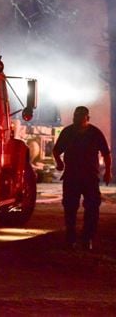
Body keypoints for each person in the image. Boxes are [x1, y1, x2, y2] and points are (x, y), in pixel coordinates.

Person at [53, 106, 112, 250]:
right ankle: (71, 238)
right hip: (72, 176)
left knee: (92, 208)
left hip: (90, 176)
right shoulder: (68, 132)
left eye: (80, 117)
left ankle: (87, 238)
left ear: (87, 118)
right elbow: (57, 150)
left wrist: (108, 172)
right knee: (70, 208)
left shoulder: (94, 133)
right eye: (75, 117)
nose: (77, 120)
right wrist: (60, 162)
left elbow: (106, 154)